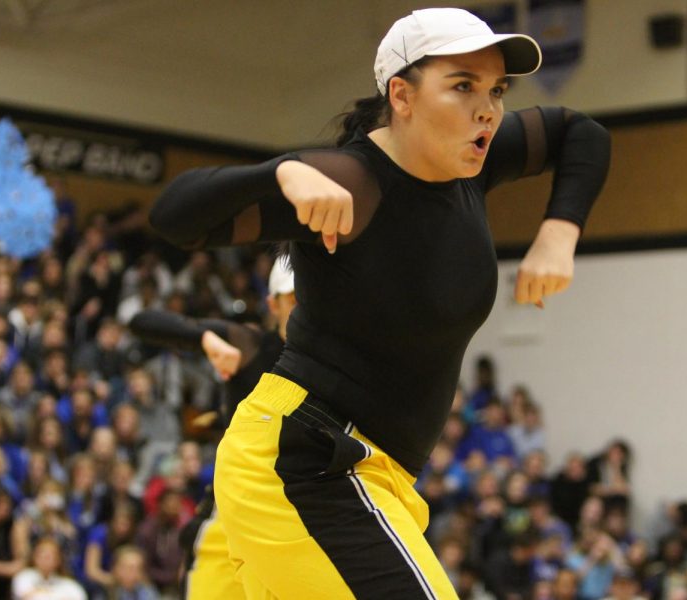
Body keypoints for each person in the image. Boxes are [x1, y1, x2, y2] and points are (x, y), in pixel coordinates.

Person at [149, 7, 609, 598]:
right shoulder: (350, 183)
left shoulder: (472, 163)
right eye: (463, 86)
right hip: (305, 456)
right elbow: (175, 218)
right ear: (402, 95)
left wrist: (560, 231)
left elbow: (582, 134)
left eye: (496, 90)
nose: (488, 109)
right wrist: (280, 172)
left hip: (379, 470)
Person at [129, 256, 296, 599]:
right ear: (272, 304)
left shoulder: (335, 360)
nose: (301, 308)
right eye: (292, 299)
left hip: (295, 518)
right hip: (234, 509)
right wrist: (206, 338)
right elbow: (142, 322)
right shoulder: (249, 345)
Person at [11, 536, 87, 600]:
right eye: (42, 555)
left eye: (49, 556)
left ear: (58, 559)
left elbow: (79, 596)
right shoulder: (23, 577)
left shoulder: (69, 584)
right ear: (34, 557)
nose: (45, 559)